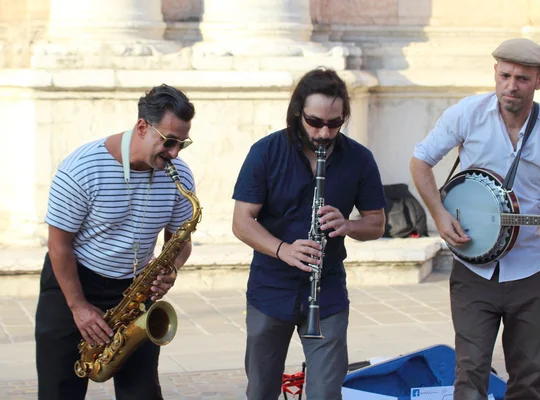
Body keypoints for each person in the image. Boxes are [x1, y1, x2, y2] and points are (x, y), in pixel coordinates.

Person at [410, 38, 540, 400]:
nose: (511, 86)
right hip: (473, 270)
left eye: (522, 79)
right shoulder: (465, 114)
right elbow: (420, 161)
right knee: (470, 374)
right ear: (495, 73)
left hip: (532, 269)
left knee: (530, 378)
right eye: (505, 76)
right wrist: (438, 215)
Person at [232, 67, 386, 400]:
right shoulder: (266, 152)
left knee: (327, 393)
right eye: (315, 122)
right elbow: (242, 222)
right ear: (298, 113)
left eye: (334, 123)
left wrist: (348, 225)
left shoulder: (359, 158)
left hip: (326, 287)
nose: (324, 133)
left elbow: (377, 222)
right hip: (270, 286)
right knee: (261, 390)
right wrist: (282, 249)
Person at [35, 84, 197, 400]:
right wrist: (79, 306)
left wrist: (172, 269)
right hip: (73, 282)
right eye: (169, 142)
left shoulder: (179, 175)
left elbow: (180, 242)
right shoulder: (82, 168)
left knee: (143, 394)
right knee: (59, 391)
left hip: (134, 292)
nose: (175, 153)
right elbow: (58, 245)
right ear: (141, 127)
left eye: (183, 144)